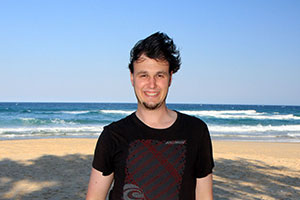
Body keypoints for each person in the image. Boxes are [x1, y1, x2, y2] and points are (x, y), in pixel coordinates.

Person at [86, 32, 214, 200]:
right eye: (144, 75)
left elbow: (204, 196)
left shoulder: (196, 131)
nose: (151, 84)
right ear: (132, 78)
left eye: (159, 75)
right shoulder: (113, 135)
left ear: (170, 78)